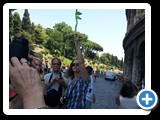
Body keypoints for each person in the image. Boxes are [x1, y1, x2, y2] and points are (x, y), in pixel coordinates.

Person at [60, 34, 90, 109]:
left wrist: (77, 43)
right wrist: (63, 98)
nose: (75, 66)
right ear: (71, 66)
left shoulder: (84, 79)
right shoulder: (71, 80)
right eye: (73, 64)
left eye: (77, 64)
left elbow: (81, 62)